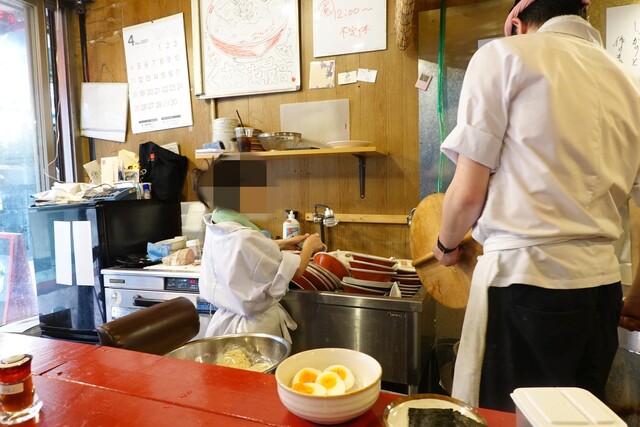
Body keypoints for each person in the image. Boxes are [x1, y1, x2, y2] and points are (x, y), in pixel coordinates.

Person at [431, 0, 640, 412]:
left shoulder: (501, 56)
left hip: (523, 283)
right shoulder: (630, 84)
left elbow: (468, 193)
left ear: (516, 23)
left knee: (505, 418)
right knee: (574, 420)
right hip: (602, 290)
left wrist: (446, 243)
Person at [193, 166, 324, 343]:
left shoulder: (217, 226)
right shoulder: (245, 236)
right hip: (254, 329)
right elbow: (297, 270)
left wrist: (283, 243)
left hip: (223, 323)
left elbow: (243, 251)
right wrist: (309, 246)